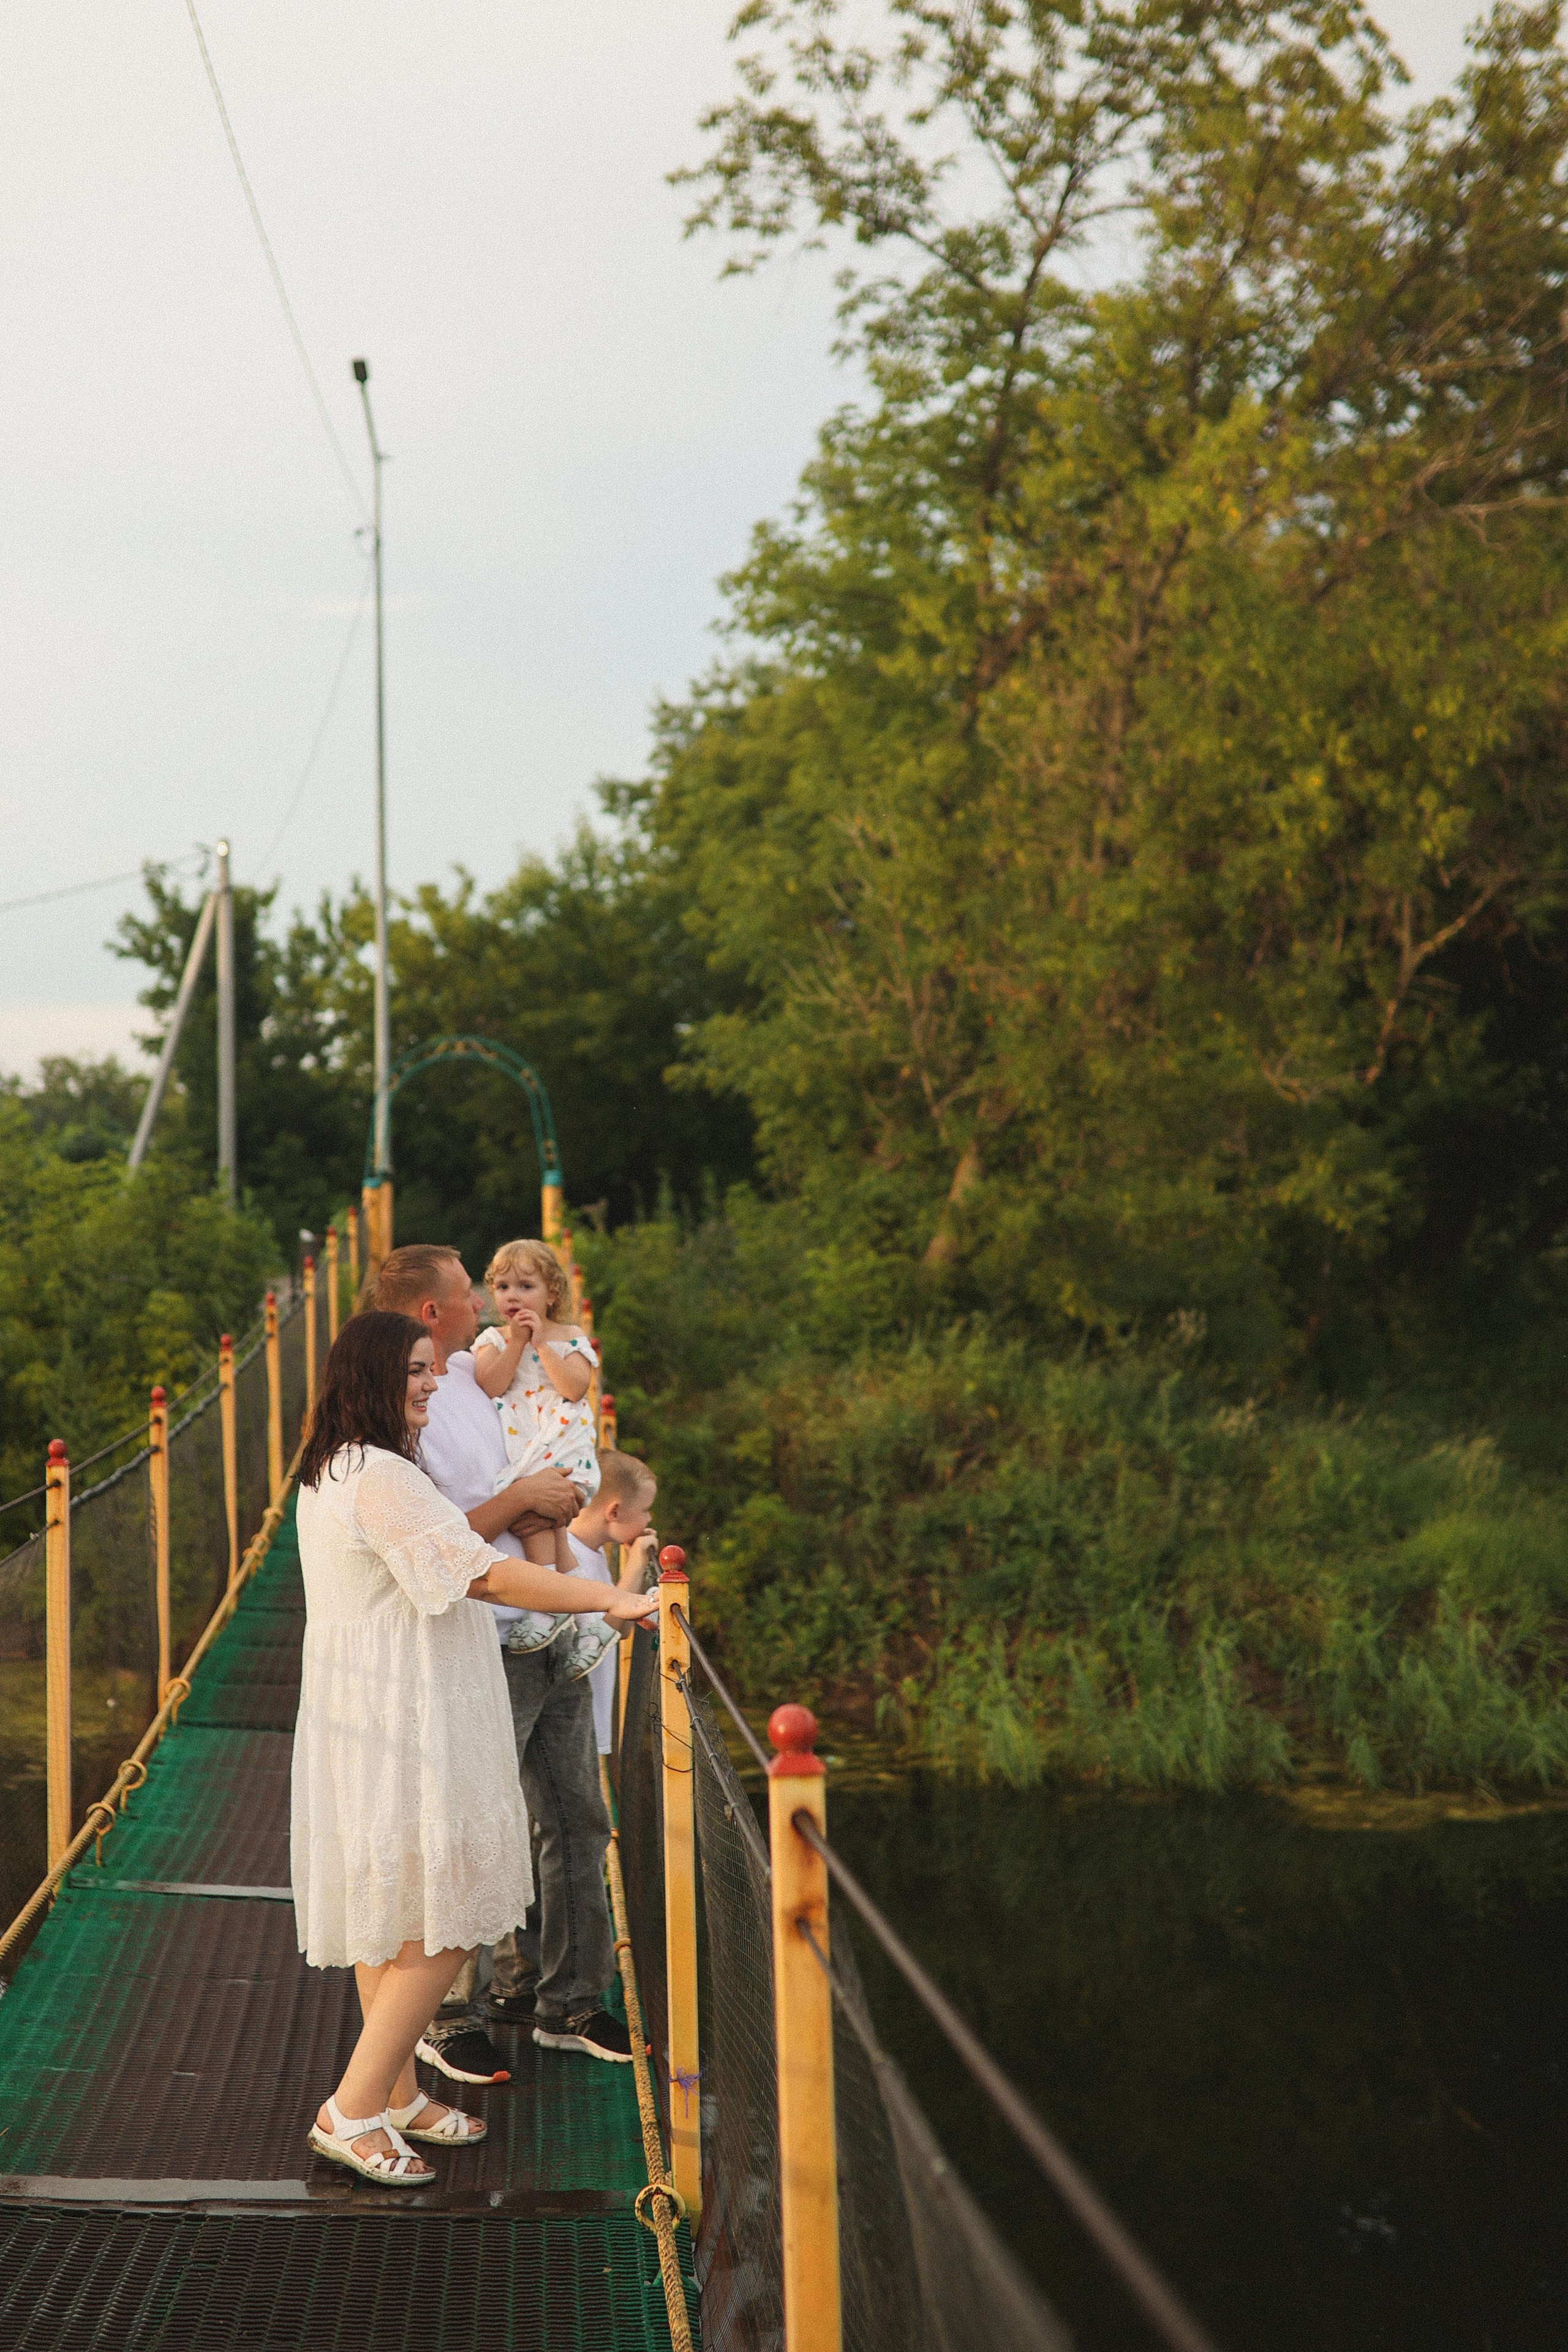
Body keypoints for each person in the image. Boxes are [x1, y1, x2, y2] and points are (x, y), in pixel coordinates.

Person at [291, 1310, 655, 2184]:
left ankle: (398, 2094)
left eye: (432, 1370)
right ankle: (352, 2108)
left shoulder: (336, 1469)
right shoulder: (381, 1476)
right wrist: (605, 1599)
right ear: (374, 1378)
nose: (431, 1385)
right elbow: (484, 1573)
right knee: (450, 1911)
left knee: (398, 1904)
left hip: (369, 1708)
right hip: (407, 1713)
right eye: (417, 1371)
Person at [371, 1243, 641, 2067]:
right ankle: (444, 2012)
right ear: (432, 1311)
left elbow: (557, 1417)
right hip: (473, 1642)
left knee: (574, 1816)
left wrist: (572, 1515)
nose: (487, 1303)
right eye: (471, 1291)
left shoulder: (484, 1368)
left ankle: (568, 2000)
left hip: (545, 1622)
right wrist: (525, 1501)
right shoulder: (410, 1394)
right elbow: (433, 1541)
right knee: (464, 1822)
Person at [472, 1238, 604, 1665]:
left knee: (536, 1521)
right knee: (541, 1523)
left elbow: (574, 1388)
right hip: (523, 1450)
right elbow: (490, 1384)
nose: (513, 1296)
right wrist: (515, 1343)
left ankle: (547, 1605)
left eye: (526, 1286)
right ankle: (588, 1618)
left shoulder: (571, 1337)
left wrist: (542, 1344)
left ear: (552, 1294)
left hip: (562, 1443)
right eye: (504, 1286)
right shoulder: (492, 1339)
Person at [558, 1450, 659, 1760]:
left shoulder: (594, 1550)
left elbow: (621, 1630)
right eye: (644, 1510)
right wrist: (638, 1560)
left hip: (587, 1717)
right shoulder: (568, 1556)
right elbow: (602, 1632)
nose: (649, 1520)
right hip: (570, 1721)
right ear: (614, 1512)